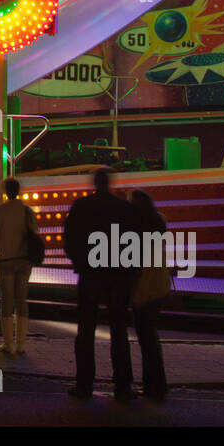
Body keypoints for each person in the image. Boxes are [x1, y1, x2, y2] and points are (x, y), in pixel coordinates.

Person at [63, 167, 139, 399]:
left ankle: (84, 384)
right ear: (111, 183)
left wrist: (79, 262)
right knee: (119, 330)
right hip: (117, 275)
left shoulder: (82, 207)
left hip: (90, 274)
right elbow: (133, 242)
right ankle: (123, 385)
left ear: (94, 183)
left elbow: (70, 238)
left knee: (86, 329)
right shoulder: (124, 208)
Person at [128, 189, 170, 399]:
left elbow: (138, 269)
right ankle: (156, 384)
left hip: (145, 289)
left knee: (147, 339)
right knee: (151, 337)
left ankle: (153, 385)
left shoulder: (138, 231)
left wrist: (134, 297)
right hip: (160, 285)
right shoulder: (158, 221)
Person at [0, 177, 37, 355]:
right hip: (24, 260)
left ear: (5, 191)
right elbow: (34, 235)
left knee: (7, 300)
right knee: (21, 300)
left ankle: (8, 343)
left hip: (6, 260)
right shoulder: (27, 212)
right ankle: (21, 344)